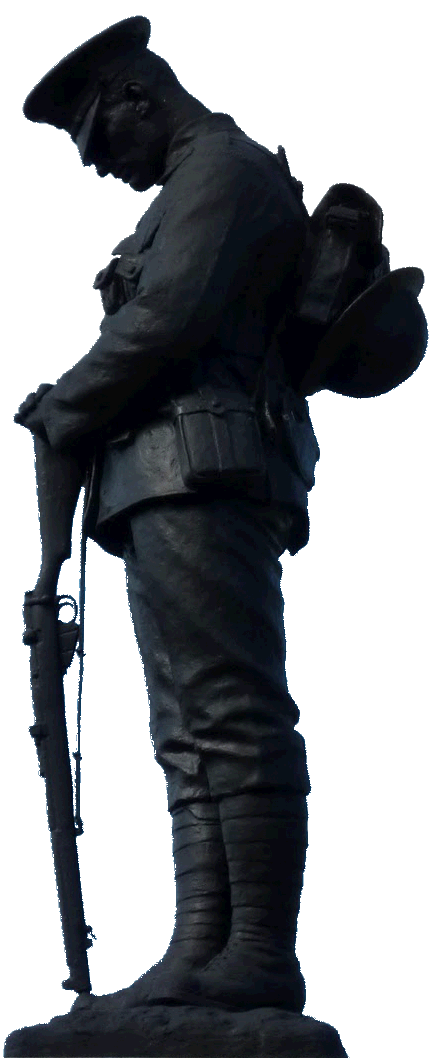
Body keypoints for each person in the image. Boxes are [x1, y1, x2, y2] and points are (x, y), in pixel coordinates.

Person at [17, 15, 412, 1016]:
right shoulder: (189, 186)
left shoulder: (225, 171)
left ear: (142, 96)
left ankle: (257, 958)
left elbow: (170, 317)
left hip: (209, 463)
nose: (104, 170)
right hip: (159, 477)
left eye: (104, 142)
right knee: (186, 732)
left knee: (231, 718)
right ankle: (203, 948)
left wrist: (64, 398)